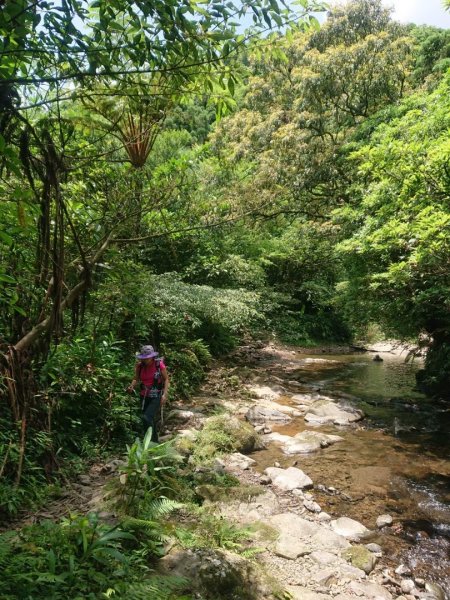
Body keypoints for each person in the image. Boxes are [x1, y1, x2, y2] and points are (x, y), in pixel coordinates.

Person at [127, 344, 169, 442]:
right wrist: (131, 386)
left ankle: (151, 441)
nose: (146, 360)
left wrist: (164, 395)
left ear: (152, 357)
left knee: (147, 417)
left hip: (156, 394)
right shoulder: (139, 366)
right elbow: (136, 378)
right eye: (144, 358)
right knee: (148, 419)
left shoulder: (159, 365)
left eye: (148, 358)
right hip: (144, 395)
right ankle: (153, 441)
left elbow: (166, 379)